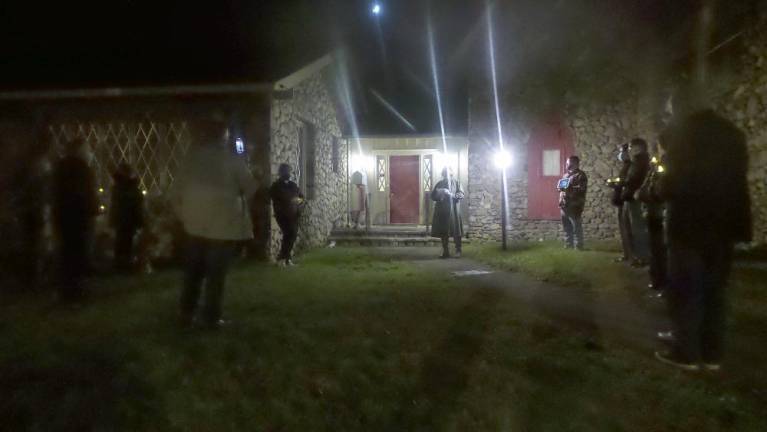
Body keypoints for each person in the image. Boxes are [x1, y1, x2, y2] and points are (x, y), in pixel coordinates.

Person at [654, 101, 751, 371]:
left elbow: (671, 185)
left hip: (690, 226)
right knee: (715, 291)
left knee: (686, 289)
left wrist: (660, 182)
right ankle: (712, 355)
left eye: (672, 107)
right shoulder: (732, 133)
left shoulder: (684, 136)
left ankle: (685, 352)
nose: (670, 112)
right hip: (725, 225)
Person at [171, 117, 258, 330]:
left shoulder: (190, 160)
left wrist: (183, 216)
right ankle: (210, 318)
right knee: (215, 275)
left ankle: (186, 314)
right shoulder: (231, 160)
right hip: (222, 226)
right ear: (223, 136)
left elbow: (175, 192)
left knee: (193, 272)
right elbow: (250, 188)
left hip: (194, 225)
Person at [52, 139, 98, 302]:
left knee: (67, 253)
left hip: (64, 217)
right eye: (86, 149)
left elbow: (56, 193)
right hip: (79, 217)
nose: (88, 152)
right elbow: (86, 192)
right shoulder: (81, 168)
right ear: (79, 150)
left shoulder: (60, 168)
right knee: (78, 253)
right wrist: (93, 209)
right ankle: (77, 290)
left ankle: (67, 290)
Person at [638, 149, 667, 294]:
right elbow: (645, 187)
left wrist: (649, 193)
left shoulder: (670, 165)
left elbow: (662, 191)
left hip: (661, 214)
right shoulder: (654, 168)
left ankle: (665, 284)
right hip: (652, 213)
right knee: (655, 250)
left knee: (663, 250)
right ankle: (656, 280)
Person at [621, 138, 651, 266]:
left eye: (632, 147)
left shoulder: (641, 161)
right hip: (630, 196)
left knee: (637, 228)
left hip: (634, 197)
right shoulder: (637, 161)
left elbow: (634, 178)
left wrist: (623, 183)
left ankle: (642, 257)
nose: (630, 150)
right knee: (630, 226)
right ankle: (634, 256)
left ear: (639, 147)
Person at [110, 162, 144, 272]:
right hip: (129, 220)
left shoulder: (119, 187)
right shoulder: (131, 188)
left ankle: (121, 266)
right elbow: (137, 205)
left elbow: (115, 205)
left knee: (121, 243)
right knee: (126, 244)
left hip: (122, 220)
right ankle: (125, 266)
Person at [269, 163, 304, 266]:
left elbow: (301, 197)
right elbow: (273, 198)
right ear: (280, 173)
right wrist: (287, 201)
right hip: (282, 215)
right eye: (285, 171)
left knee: (291, 235)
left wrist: (296, 201)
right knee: (289, 233)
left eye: (288, 171)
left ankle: (286, 259)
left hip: (294, 215)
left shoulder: (293, 185)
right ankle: (282, 259)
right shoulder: (275, 186)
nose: (287, 173)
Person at [430, 167, 464, 258]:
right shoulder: (439, 183)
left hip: (453, 211)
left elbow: (461, 195)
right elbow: (433, 196)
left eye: (448, 173)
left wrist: (451, 194)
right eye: (445, 173)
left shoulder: (456, 182)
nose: (446, 175)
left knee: (456, 230)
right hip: (442, 211)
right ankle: (445, 251)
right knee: (444, 231)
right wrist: (439, 194)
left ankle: (458, 250)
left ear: (451, 173)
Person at [558, 156, 588, 250]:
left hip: (574, 204)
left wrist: (568, 189)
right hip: (564, 205)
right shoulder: (565, 175)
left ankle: (579, 246)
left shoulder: (581, 175)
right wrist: (560, 188)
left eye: (568, 163)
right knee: (567, 227)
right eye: (566, 163)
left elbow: (581, 189)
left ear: (575, 163)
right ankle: (568, 245)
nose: (566, 165)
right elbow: (562, 188)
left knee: (576, 227)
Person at [610, 143, 633, 262]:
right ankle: (627, 254)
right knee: (624, 229)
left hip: (624, 200)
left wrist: (617, 184)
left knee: (627, 229)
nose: (621, 154)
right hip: (621, 199)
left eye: (622, 151)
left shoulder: (630, 166)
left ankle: (631, 255)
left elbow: (627, 182)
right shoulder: (626, 166)